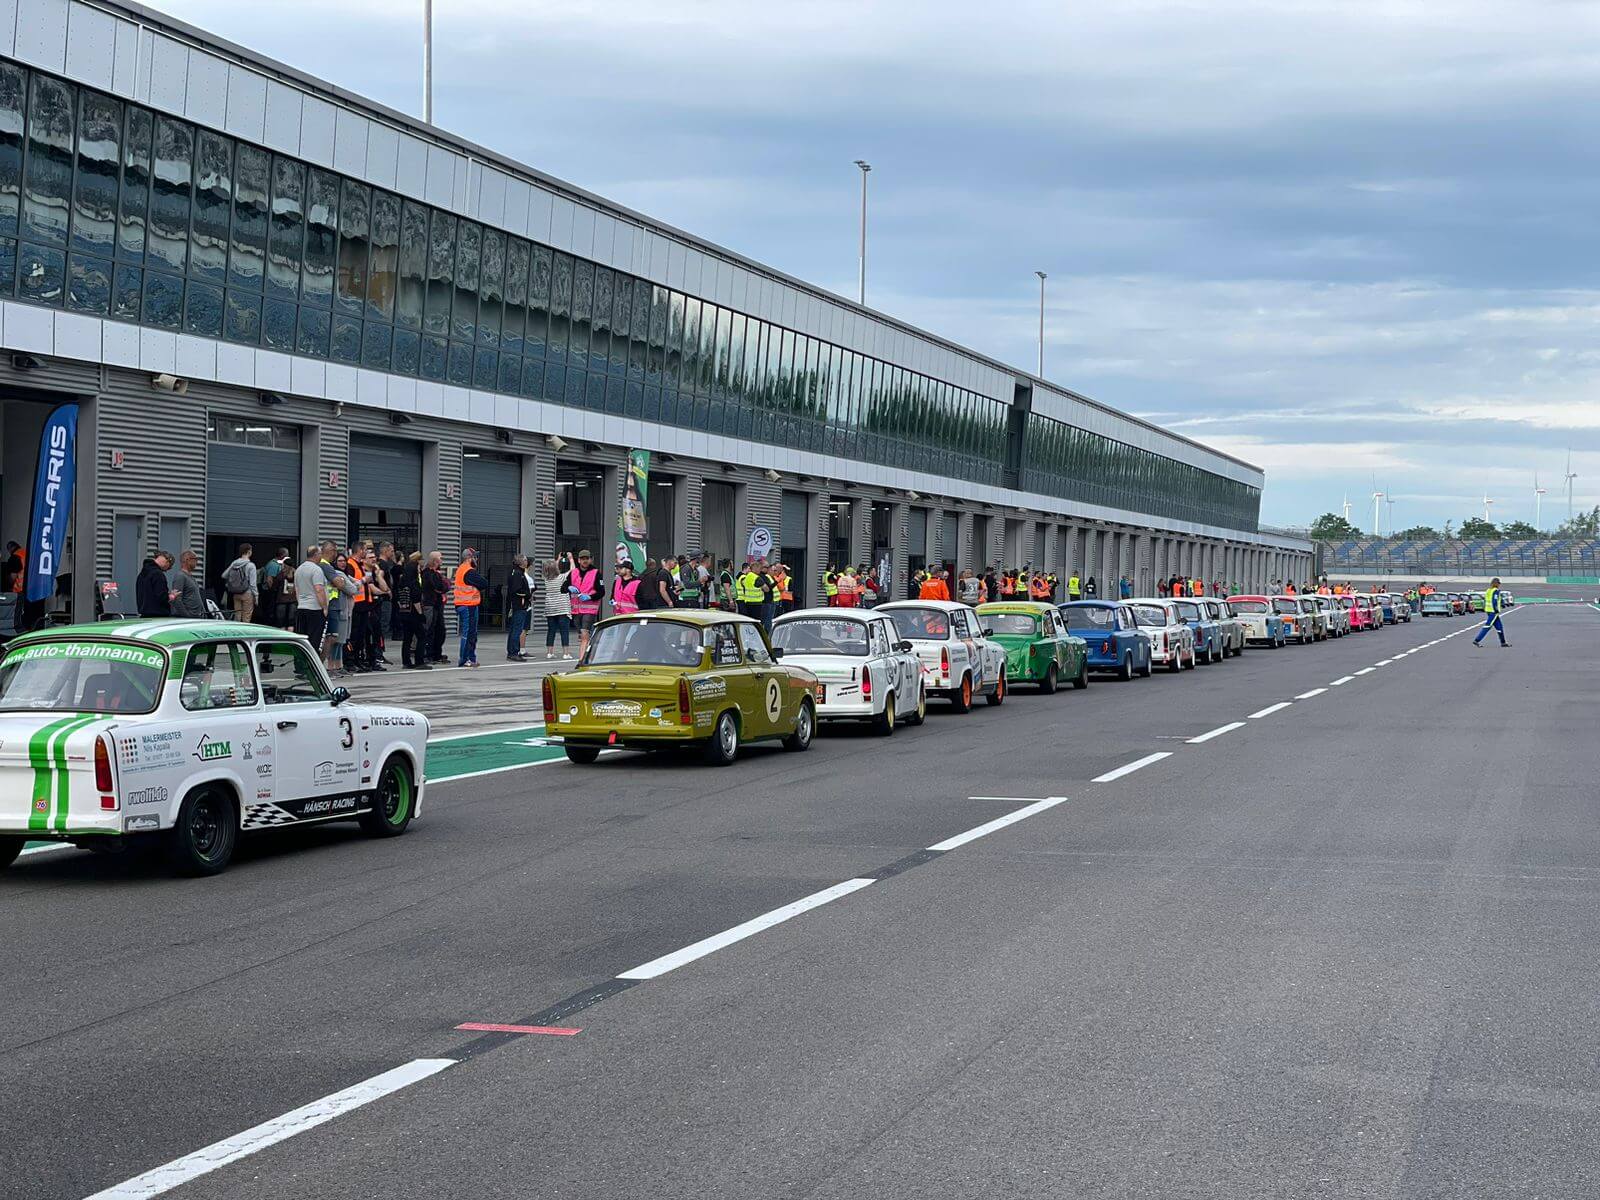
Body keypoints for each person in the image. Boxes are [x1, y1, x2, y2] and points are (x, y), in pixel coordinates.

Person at [454, 547, 489, 667]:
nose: (477, 559)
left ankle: (470, 658)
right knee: (469, 633)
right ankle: (465, 659)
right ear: (469, 558)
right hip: (468, 605)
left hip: (464, 604)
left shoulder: (461, 569)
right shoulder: (469, 571)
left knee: (470, 633)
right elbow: (484, 583)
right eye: (475, 557)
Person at [394, 551, 429, 669]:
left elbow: (398, 597)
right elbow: (416, 600)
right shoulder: (414, 583)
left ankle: (406, 661)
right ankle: (419, 661)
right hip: (413, 613)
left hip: (404, 612)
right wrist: (420, 614)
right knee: (422, 635)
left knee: (407, 637)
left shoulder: (402, 582)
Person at [567, 549, 602, 657]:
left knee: (584, 633)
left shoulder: (596, 573)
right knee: (582, 635)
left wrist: (589, 597)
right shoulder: (573, 573)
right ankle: (591, 652)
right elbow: (563, 588)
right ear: (578, 560)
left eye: (587, 558)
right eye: (583, 559)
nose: (585, 561)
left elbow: (601, 592)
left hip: (590, 609)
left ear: (590, 560)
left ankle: (582, 659)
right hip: (576, 610)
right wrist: (568, 587)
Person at [293, 546, 329, 648]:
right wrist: (325, 607)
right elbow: (319, 589)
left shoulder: (299, 569)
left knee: (302, 640)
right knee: (314, 640)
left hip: (301, 608)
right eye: (320, 554)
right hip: (315, 609)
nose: (321, 556)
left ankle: (299, 663)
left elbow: (297, 590)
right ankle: (311, 662)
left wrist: (300, 603)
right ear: (316, 555)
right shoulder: (316, 570)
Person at [541, 558, 573, 658]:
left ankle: (549, 652)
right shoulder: (561, 577)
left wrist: (558, 559)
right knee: (564, 631)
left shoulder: (546, 579)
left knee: (551, 631)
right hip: (562, 608)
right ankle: (566, 653)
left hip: (550, 608)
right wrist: (571, 558)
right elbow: (572, 569)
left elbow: (550, 567)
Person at [505, 554, 533, 659]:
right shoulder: (517, 574)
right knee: (517, 629)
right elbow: (517, 590)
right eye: (525, 560)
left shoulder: (517, 572)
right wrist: (528, 595)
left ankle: (512, 651)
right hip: (519, 605)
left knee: (514, 629)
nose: (527, 562)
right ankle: (513, 652)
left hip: (518, 604)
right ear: (520, 562)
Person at [221, 543, 258, 623]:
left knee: (237, 616)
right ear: (248, 551)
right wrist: (256, 596)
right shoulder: (251, 565)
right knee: (246, 617)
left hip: (236, 593)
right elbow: (253, 584)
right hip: (247, 593)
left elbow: (224, 575)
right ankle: (244, 633)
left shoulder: (234, 563)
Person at [423, 551, 449, 663]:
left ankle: (437, 653)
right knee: (430, 630)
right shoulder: (427, 573)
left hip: (438, 605)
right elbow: (439, 586)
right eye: (440, 558)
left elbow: (444, 586)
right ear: (434, 560)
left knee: (440, 630)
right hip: (430, 604)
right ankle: (428, 654)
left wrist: (444, 585)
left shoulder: (437, 573)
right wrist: (444, 585)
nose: (442, 560)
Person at [1472, 576, 1510, 648]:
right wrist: (1496, 609)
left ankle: (1503, 642)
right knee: (1487, 626)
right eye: (1499, 583)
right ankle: (1477, 640)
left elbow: (1486, 600)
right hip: (1493, 611)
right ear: (1497, 584)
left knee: (1499, 627)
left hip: (1489, 610)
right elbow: (1494, 600)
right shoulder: (1496, 591)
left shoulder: (1488, 590)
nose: (1499, 585)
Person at [136, 551, 175, 616]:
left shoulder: (141, 574)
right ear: (167, 561)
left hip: (144, 615)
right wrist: (171, 596)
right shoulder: (158, 574)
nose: (166, 570)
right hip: (158, 616)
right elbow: (161, 597)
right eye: (169, 566)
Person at [169, 550, 206, 618]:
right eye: (195, 559)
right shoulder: (180, 576)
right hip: (187, 619)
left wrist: (203, 611)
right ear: (187, 560)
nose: (197, 562)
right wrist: (186, 615)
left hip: (196, 617)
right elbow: (177, 599)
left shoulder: (190, 577)